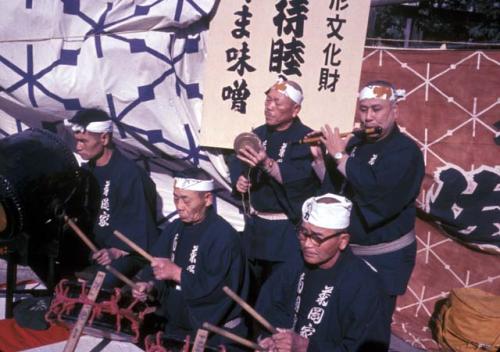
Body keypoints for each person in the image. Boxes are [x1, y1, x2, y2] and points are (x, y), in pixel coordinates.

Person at [311, 80, 425, 338]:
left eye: (376, 109)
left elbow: (378, 194)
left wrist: (340, 157)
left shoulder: (405, 151)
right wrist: (322, 160)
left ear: (394, 110)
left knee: (370, 327)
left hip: (383, 257)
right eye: (363, 109)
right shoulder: (356, 143)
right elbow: (338, 188)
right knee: (340, 320)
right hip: (349, 252)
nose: (368, 117)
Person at [132, 168, 249, 348]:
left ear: (207, 199)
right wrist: (149, 286)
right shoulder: (175, 228)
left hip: (211, 333)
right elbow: (156, 265)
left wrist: (178, 274)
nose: (179, 206)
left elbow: (221, 291)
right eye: (176, 198)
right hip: (176, 326)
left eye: (186, 199)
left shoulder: (224, 237)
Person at [256, 194, 389, 352]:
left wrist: (307, 347)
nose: (307, 244)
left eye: (318, 238)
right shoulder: (295, 262)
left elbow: (366, 348)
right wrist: (272, 337)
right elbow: (270, 305)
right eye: (304, 234)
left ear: (343, 240)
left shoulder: (365, 285)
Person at [228, 77, 320, 301]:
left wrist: (268, 164)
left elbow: (303, 180)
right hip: (256, 228)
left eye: (278, 103)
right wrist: (240, 181)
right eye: (268, 100)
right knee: (250, 291)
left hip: (285, 231)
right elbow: (238, 161)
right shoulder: (258, 133)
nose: (269, 107)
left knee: (279, 294)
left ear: (295, 109)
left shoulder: (307, 139)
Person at [66, 108, 158, 288]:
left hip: (127, 251)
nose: (78, 147)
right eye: (77, 141)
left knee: (100, 283)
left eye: (84, 141)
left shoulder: (130, 174)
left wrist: (117, 251)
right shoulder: (86, 171)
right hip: (96, 247)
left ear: (104, 138)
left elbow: (140, 223)